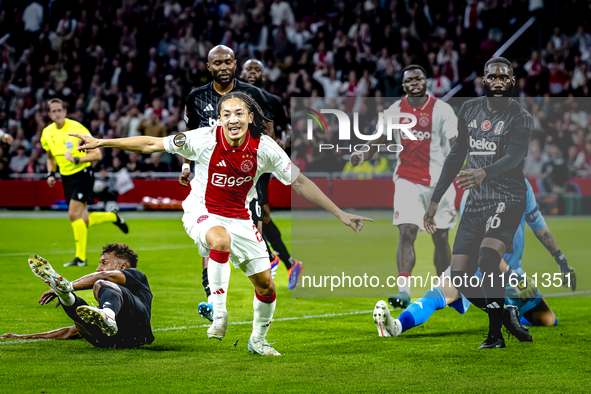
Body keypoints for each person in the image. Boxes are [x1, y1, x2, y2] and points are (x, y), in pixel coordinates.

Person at [69, 91, 372, 356]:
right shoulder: (203, 138)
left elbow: (301, 183)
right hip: (201, 210)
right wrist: (102, 141)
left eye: (239, 113)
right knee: (219, 240)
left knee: (266, 286)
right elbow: (151, 143)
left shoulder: (265, 148)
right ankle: (219, 312)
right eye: (226, 114)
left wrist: (341, 214)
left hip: (240, 217)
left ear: (250, 116)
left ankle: (258, 340)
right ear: (220, 119)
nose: (232, 119)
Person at [374, 179, 576, 338]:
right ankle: (396, 326)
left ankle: (508, 312)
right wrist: (516, 279)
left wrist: (561, 260)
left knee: (547, 319)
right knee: (439, 293)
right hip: (475, 267)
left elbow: (539, 225)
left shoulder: (522, 185)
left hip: (511, 271)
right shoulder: (474, 192)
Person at [423, 57, 533, 349]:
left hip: (507, 198)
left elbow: (514, 157)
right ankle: (505, 311)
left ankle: (494, 335)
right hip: (476, 202)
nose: (497, 82)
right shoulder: (469, 109)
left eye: (503, 77)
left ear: (511, 81)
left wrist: (484, 171)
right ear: (483, 80)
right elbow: (456, 154)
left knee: (487, 259)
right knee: (458, 276)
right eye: (492, 77)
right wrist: (435, 199)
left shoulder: (520, 117)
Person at [179, 46, 282, 323]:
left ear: (234, 64)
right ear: (208, 66)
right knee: (212, 238)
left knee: (257, 229)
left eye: (227, 62)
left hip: (246, 177)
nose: (223, 66)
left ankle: (267, 274)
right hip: (209, 179)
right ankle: (212, 297)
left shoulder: (254, 95)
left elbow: (268, 132)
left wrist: (264, 167)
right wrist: (186, 165)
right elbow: (187, 137)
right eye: (217, 62)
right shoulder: (196, 98)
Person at [350, 65, 458, 308]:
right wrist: (361, 155)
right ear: (403, 84)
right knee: (407, 231)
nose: (414, 83)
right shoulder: (394, 111)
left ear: (426, 81)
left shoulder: (443, 110)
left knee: (440, 238)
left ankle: (443, 289)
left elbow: (455, 145)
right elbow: (374, 144)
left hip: (440, 183)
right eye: (409, 80)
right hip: (408, 180)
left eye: (418, 78)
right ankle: (403, 290)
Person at [0, 243, 154, 349]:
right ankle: (66, 296)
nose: (98, 267)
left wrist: (69, 285)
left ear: (122, 267)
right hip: (109, 339)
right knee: (79, 309)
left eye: (104, 262)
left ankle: (66, 292)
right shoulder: (107, 300)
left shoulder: (136, 276)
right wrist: (22, 337)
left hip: (137, 332)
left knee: (101, 283)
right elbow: (69, 332)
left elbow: (107, 277)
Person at [41, 98, 129, 267]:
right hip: (66, 176)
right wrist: (51, 173)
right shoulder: (47, 133)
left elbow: (97, 155)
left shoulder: (77, 129)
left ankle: (80, 258)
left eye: (60, 110)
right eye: (53, 111)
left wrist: (76, 158)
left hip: (82, 173)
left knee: (73, 215)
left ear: (65, 112)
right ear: (49, 113)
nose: (57, 114)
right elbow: (50, 156)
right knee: (84, 220)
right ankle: (112, 216)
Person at [241, 58, 303, 288]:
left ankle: (270, 259)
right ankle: (288, 262)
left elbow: (285, 128)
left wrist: (282, 145)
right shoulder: (235, 97)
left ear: (263, 75)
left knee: (255, 210)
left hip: (262, 163)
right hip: (241, 161)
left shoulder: (272, 100)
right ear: (242, 72)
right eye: (249, 68)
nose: (253, 72)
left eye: (258, 69)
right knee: (262, 214)